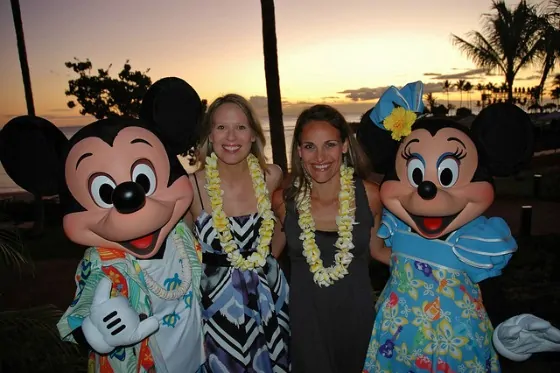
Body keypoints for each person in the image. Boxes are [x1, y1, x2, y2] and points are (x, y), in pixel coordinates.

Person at [0, 77, 208, 372]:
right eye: (105, 193)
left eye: (143, 181)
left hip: (198, 361)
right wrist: (95, 331)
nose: (129, 197)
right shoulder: (99, 263)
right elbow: (83, 310)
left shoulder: (180, 238)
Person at [356, 81, 534, 373]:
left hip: (458, 345)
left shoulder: (475, 239)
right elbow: (387, 255)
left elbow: (492, 291)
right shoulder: (397, 229)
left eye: (447, 174)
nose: (427, 189)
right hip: (399, 340)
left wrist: (506, 329)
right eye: (415, 173)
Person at [270, 104, 389, 373]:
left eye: (330, 144)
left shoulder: (371, 196)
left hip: (357, 319)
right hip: (306, 324)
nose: (320, 156)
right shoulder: (282, 201)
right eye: (310, 146)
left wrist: (437, 262)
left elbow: (379, 250)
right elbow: (268, 256)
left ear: (345, 146)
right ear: (299, 151)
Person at [185, 94, 290, 372]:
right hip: (215, 306)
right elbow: (185, 248)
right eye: (221, 127)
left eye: (241, 127)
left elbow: (283, 227)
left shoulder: (272, 176)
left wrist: (266, 261)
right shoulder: (191, 187)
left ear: (254, 135)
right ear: (210, 134)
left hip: (268, 295)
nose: (231, 136)